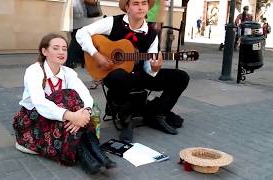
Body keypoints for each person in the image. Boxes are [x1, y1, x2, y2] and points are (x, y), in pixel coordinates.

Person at [76, 0, 189, 143]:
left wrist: (154, 68)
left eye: (144, 3)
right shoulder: (112, 22)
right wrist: (96, 55)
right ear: (127, 7)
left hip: (139, 75)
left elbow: (149, 68)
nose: (140, 7)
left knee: (181, 77)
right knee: (119, 76)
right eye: (135, 3)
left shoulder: (152, 34)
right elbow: (81, 33)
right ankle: (126, 120)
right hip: (113, 74)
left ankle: (155, 115)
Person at [12, 33, 116, 174]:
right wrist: (71, 116)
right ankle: (85, 153)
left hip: (60, 118)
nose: (61, 52)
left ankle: (94, 151)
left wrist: (85, 112)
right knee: (67, 96)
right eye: (56, 48)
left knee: (74, 98)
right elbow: (40, 102)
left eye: (64, 48)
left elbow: (85, 94)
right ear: (44, 51)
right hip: (33, 119)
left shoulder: (68, 72)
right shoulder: (34, 71)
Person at [63, 0, 103, 89]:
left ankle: (64, 81)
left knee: (71, 55)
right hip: (76, 27)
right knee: (84, 56)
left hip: (83, 28)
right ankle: (97, 78)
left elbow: (79, 13)